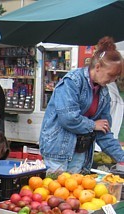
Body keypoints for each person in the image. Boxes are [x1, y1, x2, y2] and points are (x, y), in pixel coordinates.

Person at [40, 36, 124, 174]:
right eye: (111, 75)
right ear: (97, 67)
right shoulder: (72, 81)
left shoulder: (104, 94)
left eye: (116, 77)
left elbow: (104, 131)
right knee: (55, 193)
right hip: (58, 150)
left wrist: (121, 157)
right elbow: (68, 118)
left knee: (74, 193)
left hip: (81, 152)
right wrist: (92, 125)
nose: (113, 80)